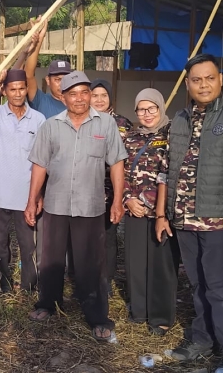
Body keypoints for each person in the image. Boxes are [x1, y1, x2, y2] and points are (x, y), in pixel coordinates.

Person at [155, 54, 223, 373]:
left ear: (221, 80)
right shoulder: (179, 119)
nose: (203, 84)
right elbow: (164, 170)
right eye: (196, 80)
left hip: (217, 221)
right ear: (187, 84)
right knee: (198, 284)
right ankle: (202, 340)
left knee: (217, 286)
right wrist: (162, 214)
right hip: (183, 220)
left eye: (209, 78)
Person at [25, 71, 126, 342]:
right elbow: (40, 165)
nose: (80, 98)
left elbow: (117, 163)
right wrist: (32, 199)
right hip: (56, 204)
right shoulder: (51, 126)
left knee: (91, 263)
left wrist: (117, 200)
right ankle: (48, 304)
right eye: (73, 93)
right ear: (63, 96)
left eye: (85, 93)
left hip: (90, 206)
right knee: (52, 259)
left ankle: (97, 317)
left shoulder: (105, 124)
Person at [0, 69, 46, 293]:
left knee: (29, 246)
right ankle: (3, 285)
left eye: (21, 89)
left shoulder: (38, 119)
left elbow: (43, 160)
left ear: (27, 89)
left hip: (26, 195)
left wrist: (38, 196)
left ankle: (29, 287)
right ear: (4, 91)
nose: (17, 94)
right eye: (12, 89)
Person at [122, 88, 177, 336]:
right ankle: (139, 310)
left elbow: (175, 174)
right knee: (135, 262)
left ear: (160, 107)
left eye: (151, 108)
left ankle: (161, 316)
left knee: (161, 264)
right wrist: (128, 199)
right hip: (134, 209)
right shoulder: (131, 137)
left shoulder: (174, 135)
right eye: (141, 109)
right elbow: (120, 172)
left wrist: (155, 206)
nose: (146, 114)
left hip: (162, 213)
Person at [90, 78, 133, 291]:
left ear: (110, 98)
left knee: (108, 237)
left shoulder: (123, 124)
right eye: (95, 95)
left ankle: (105, 281)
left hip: (110, 192)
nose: (99, 100)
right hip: (85, 192)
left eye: (103, 95)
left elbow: (127, 160)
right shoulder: (83, 120)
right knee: (85, 237)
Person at [23, 19, 68, 119]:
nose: (62, 84)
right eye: (57, 79)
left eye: (66, 79)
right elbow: (28, 75)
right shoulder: (41, 101)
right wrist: (38, 40)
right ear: (48, 80)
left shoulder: (78, 103)